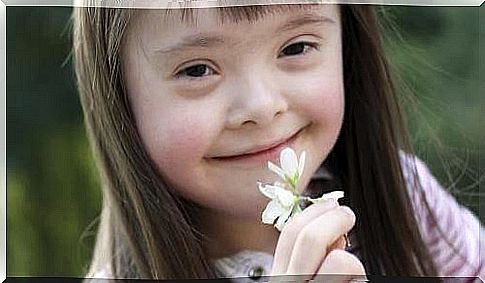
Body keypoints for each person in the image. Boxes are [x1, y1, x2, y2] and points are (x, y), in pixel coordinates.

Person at [71, 2, 484, 281]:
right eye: (197, 70)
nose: (262, 105)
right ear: (119, 97)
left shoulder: (404, 197)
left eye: (296, 46)